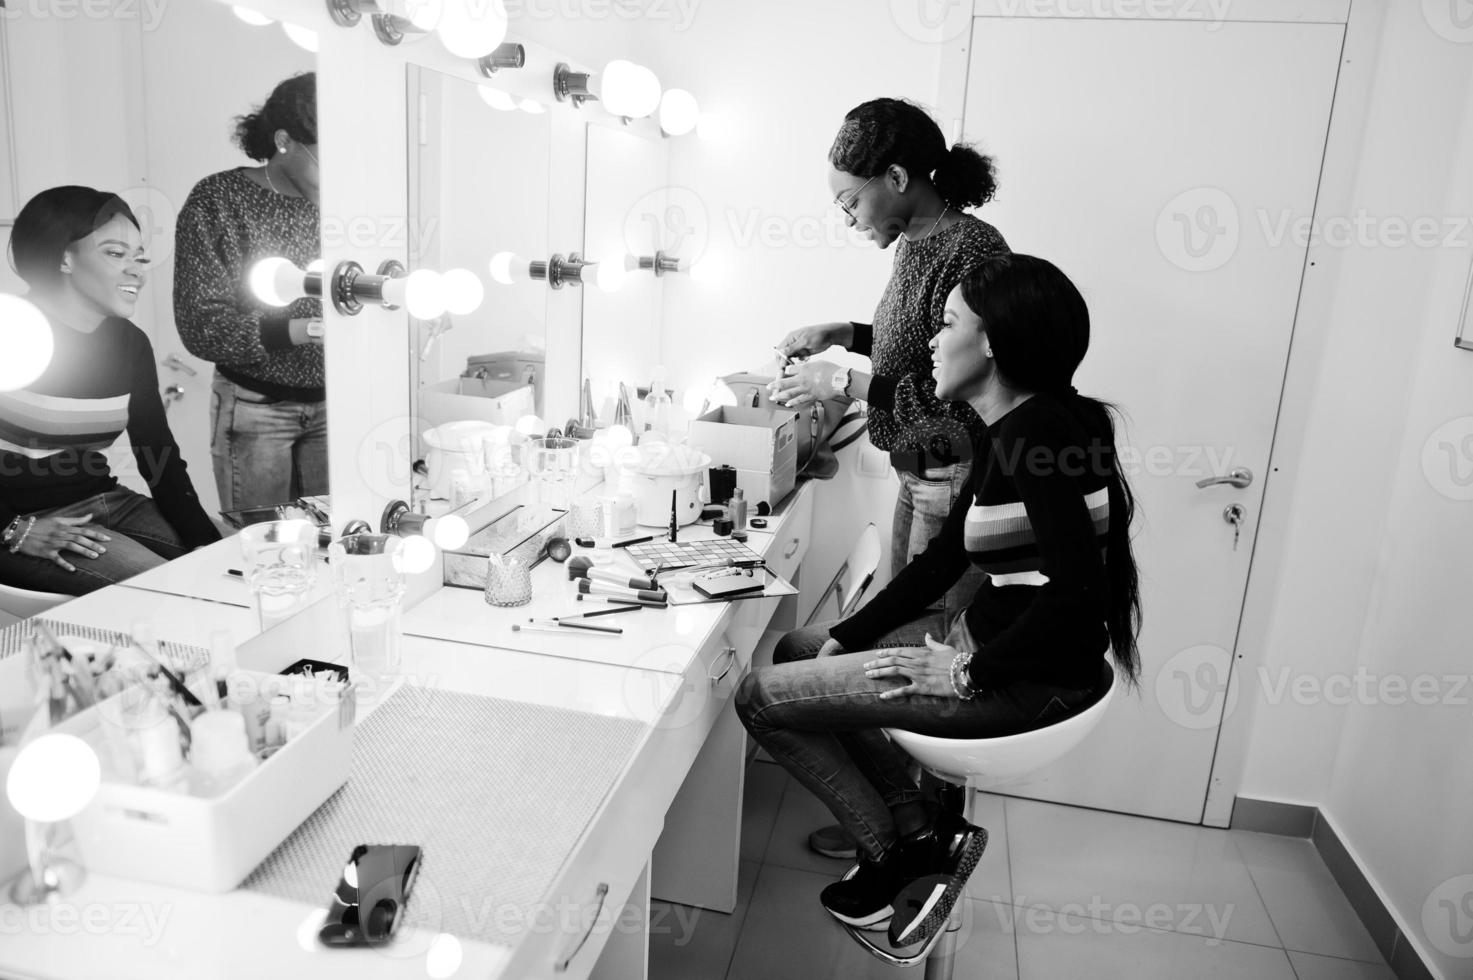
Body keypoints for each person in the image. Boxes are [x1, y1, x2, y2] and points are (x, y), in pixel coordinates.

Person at [737, 254, 1143, 953]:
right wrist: (849, 634)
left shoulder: (1035, 436)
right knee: (799, 647)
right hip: (985, 638)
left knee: (759, 697)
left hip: (1023, 679)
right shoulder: (1013, 424)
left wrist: (964, 673)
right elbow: (946, 558)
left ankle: (895, 857)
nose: (931, 338)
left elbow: (1080, 598)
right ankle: (916, 822)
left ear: (990, 343)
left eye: (947, 322)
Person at [771, 97, 1010, 861]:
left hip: (950, 475)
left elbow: (964, 396)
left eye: (849, 200)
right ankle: (907, 813)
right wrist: (847, 335)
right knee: (883, 644)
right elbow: (914, 347)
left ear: (898, 176)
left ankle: (922, 830)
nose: (846, 217)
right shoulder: (918, 240)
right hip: (921, 478)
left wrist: (844, 383)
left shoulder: (972, 253)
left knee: (901, 657)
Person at [0, 187, 221, 595]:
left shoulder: (129, 343)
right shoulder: (9, 331)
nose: (136, 270)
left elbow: (158, 453)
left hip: (107, 502)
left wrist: (212, 548)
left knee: (227, 570)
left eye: (139, 256)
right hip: (27, 523)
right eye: (116, 254)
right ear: (64, 257)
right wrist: (14, 529)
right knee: (173, 592)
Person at [174, 71, 324, 513]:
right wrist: (303, 329)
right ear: (284, 141)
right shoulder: (219, 200)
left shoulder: (353, 207)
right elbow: (201, 327)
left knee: (337, 545)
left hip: (338, 405)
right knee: (264, 549)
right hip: (256, 409)